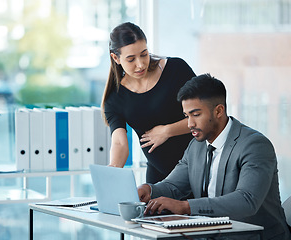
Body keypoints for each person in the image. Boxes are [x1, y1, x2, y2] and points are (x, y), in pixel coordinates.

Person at [137, 73, 290, 239]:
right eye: (187, 116)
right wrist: (149, 190)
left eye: (196, 115)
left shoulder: (255, 145)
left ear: (218, 111)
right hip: (214, 234)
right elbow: (174, 185)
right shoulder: (196, 146)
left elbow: (246, 200)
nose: (190, 124)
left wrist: (186, 206)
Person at [101, 22, 195, 183]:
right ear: (115, 58)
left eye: (144, 54)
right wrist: (113, 171)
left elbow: (206, 116)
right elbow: (119, 143)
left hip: (197, 170)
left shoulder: (176, 69)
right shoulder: (114, 98)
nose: (140, 64)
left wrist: (167, 131)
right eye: (131, 59)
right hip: (159, 178)